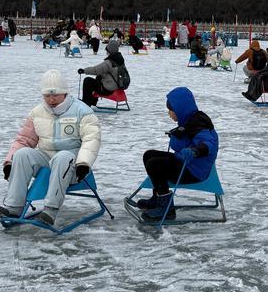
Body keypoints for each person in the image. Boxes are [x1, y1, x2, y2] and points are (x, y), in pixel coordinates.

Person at [0, 70, 101, 227]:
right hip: (47, 160)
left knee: (63, 156)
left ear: (64, 93)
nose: (51, 99)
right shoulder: (37, 112)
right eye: (47, 95)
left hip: (73, 165)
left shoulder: (82, 111)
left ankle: (50, 210)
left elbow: (91, 139)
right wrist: (10, 162)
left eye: (55, 95)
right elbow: (24, 139)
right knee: (22, 154)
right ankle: (14, 207)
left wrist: (83, 163)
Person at [132, 87, 219, 222]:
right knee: (149, 155)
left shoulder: (200, 124)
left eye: (171, 110)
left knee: (155, 164)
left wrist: (195, 151)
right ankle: (158, 199)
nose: (169, 114)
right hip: (186, 162)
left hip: (194, 170)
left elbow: (209, 144)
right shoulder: (190, 120)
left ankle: (167, 210)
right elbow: (186, 137)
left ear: (180, 109)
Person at [78, 38, 128, 106]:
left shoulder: (109, 62)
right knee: (99, 77)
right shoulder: (120, 60)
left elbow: (96, 70)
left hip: (108, 89)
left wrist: (84, 70)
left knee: (87, 81)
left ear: (109, 50)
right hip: (117, 85)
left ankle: (86, 102)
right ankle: (93, 101)